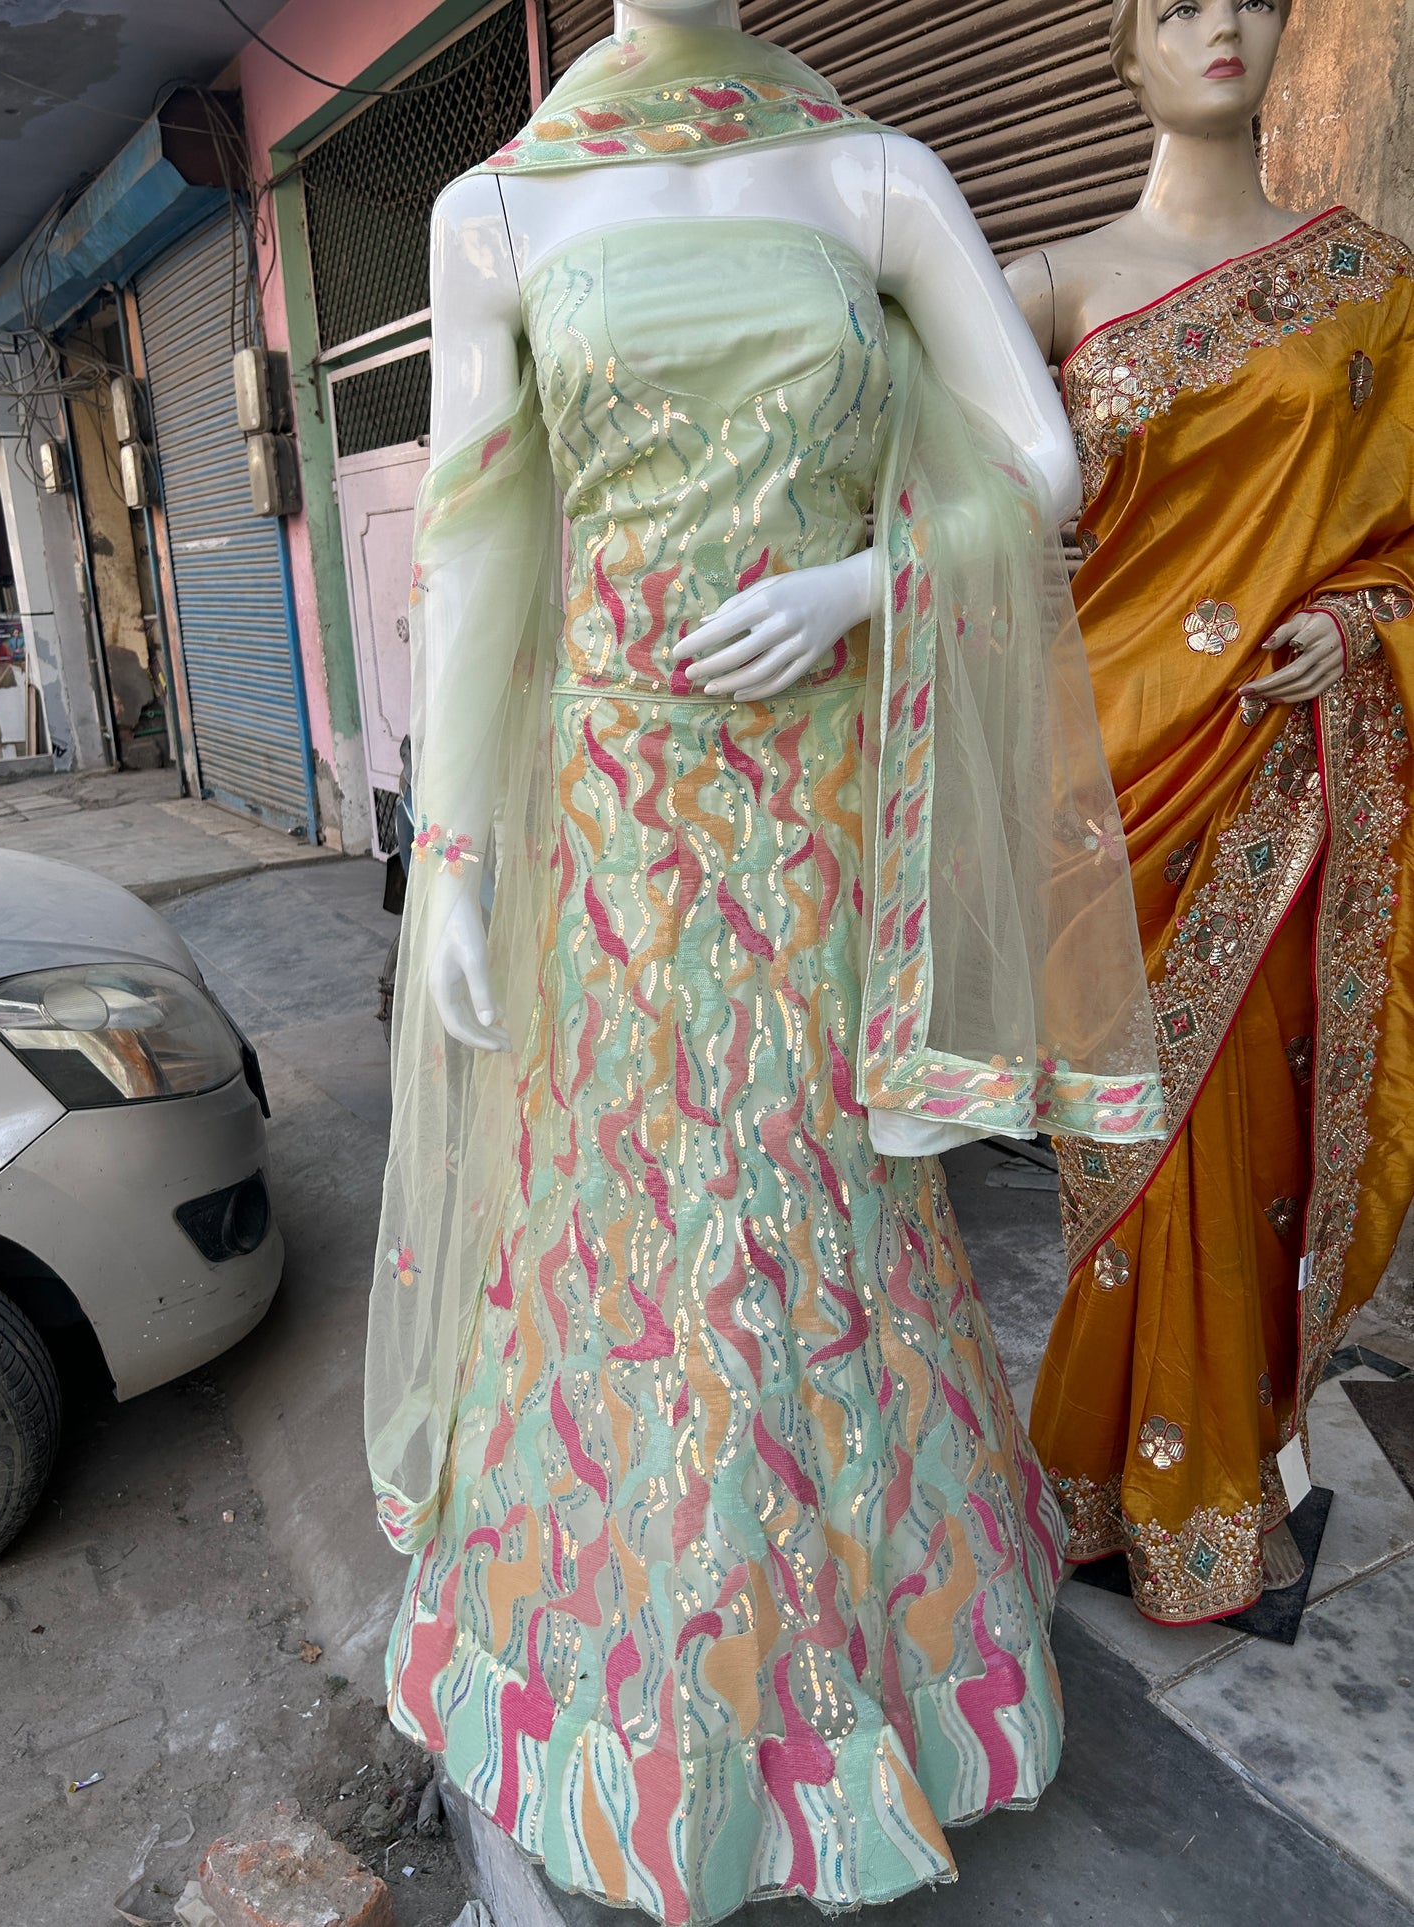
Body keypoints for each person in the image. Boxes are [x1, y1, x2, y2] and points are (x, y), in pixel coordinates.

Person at [366, 4, 1162, 1917]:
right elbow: (477, 553)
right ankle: (656, 1715)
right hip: (608, 835)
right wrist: (457, 866)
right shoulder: (494, 209)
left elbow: (1032, 466)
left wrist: (861, 584)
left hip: (822, 830)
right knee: (634, 1253)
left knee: (824, 1237)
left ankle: (836, 1705)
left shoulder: (880, 175)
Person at [1007, 0, 1414, 1625]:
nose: (1217, 25)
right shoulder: (1041, 286)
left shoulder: (1375, 288)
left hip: (1287, 784)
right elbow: (956, 529)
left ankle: (1235, 1478)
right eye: (1172, 3)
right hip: (1095, 797)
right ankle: (1119, 1483)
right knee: (1124, 1163)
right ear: (1122, 46)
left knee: (1247, 1149)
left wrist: (1364, 627)